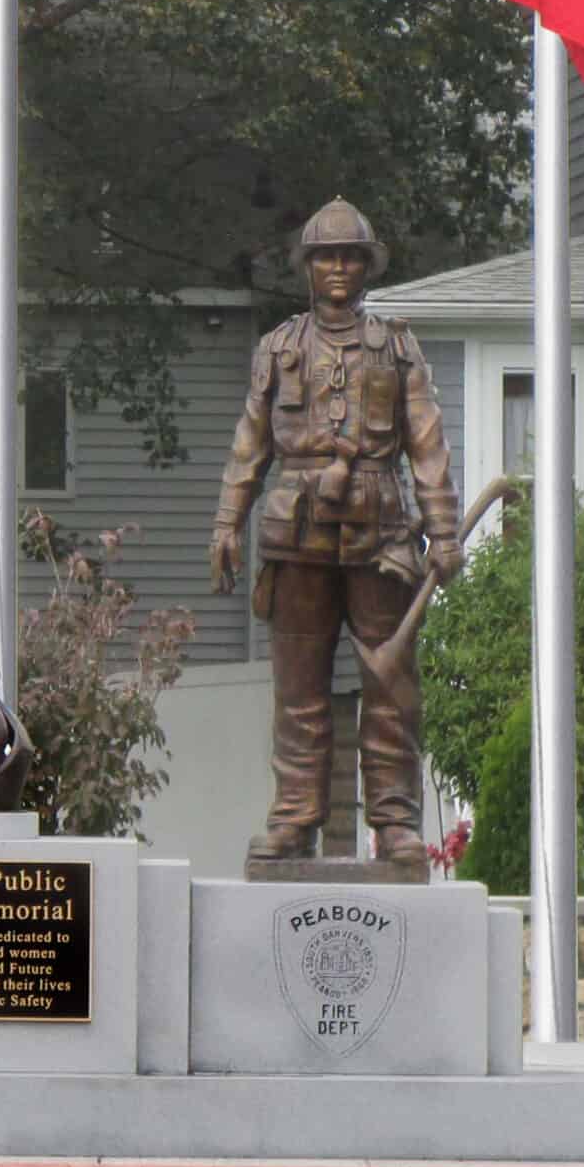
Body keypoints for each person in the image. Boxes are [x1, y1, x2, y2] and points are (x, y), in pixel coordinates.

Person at [209, 198, 461, 868]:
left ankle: (396, 824)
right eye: (326, 256)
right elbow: (249, 446)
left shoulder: (398, 347)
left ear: (369, 265)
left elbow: (427, 446)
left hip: (381, 537)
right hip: (298, 537)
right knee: (299, 689)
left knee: (391, 689)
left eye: (351, 255)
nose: (339, 268)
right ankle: (295, 817)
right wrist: (228, 522)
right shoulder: (278, 349)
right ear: (307, 267)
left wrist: (443, 529)